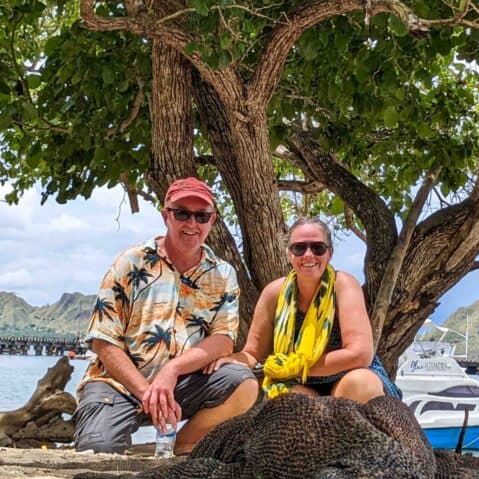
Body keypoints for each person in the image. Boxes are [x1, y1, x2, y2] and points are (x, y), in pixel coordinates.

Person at [74, 177, 259, 454]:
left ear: (212, 220)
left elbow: (223, 339)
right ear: (166, 215)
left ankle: (185, 445)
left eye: (201, 216)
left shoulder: (223, 274)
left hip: (181, 385)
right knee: (98, 452)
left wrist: (171, 371)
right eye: (182, 213)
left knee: (241, 381)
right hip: (117, 384)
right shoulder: (131, 262)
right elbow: (103, 340)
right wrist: (146, 391)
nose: (192, 224)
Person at [205, 216, 400, 402]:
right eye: (299, 248)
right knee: (284, 398)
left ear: (330, 253)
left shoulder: (344, 286)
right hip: (300, 384)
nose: (308, 255)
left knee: (360, 384)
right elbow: (254, 354)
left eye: (318, 248)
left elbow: (360, 354)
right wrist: (233, 361)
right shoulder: (273, 293)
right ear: (289, 254)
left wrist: (293, 366)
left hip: (350, 380)